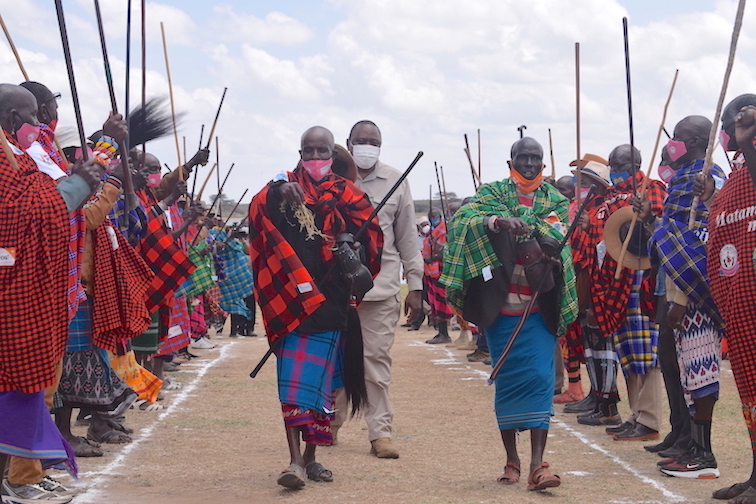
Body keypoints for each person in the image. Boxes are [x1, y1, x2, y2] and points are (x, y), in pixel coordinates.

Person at [441, 137, 577, 492]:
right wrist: (498, 222)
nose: (530, 163)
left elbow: (556, 231)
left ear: (543, 162)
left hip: (537, 307)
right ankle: (511, 459)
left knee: (539, 380)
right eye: (523, 157)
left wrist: (532, 230)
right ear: (511, 161)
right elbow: (463, 223)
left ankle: (537, 465)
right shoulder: (493, 193)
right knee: (508, 382)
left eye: (536, 158)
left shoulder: (555, 199)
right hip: (501, 308)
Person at [249, 126, 382, 488]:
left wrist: (352, 250)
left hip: (332, 301)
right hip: (292, 302)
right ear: (300, 153)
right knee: (293, 385)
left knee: (323, 387)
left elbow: (372, 242)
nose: (315, 158)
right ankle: (293, 461)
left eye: (322, 151)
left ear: (333, 155)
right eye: (308, 151)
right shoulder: (282, 188)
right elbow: (257, 213)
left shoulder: (349, 195)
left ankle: (310, 459)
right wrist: (279, 190)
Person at [0, 83, 103, 504]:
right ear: (10, 119)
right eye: (35, 117)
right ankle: (19, 480)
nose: (41, 126)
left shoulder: (20, 157)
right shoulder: (5, 159)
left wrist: (84, 180)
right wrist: (79, 184)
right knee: (15, 390)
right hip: (14, 291)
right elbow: (25, 214)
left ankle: (20, 478)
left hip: (36, 292)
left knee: (24, 390)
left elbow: (45, 200)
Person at [639, 116, 724, 479]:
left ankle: (700, 450)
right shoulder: (683, 179)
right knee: (679, 367)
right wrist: (648, 223)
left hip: (692, 290)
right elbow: (670, 236)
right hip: (674, 287)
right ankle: (686, 439)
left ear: (693, 142)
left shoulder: (703, 176)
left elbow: (694, 242)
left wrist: (680, 299)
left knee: (698, 368)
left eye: (678, 137)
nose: (671, 142)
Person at [581, 145, 665, 443]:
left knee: (645, 351)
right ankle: (636, 415)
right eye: (612, 163)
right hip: (612, 282)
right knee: (627, 351)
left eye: (619, 164)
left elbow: (656, 222)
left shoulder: (649, 189)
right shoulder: (605, 199)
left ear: (635, 163)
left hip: (637, 277)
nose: (614, 169)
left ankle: (650, 418)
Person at [701, 94, 756, 502]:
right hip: (739, 299)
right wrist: (708, 201)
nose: (727, 134)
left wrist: (751, 136)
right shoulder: (736, 171)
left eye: (732, 124)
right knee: (750, 393)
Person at [423, 206, 454, 344]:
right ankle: (441, 332)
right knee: (435, 302)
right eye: (431, 218)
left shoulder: (446, 230)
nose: (433, 220)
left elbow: (447, 251)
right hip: (431, 272)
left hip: (442, 270)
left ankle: (445, 333)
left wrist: (434, 258)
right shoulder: (431, 232)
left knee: (442, 302)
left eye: (434, 217)